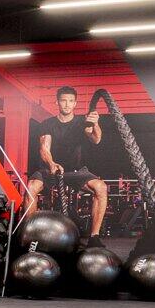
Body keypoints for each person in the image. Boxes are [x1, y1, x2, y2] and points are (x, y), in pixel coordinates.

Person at [27, 84, 107, 237]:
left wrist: (95, 123)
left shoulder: (82, 122)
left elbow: (96, 139)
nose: (67, 104)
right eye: (63, 101)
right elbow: (44, 148)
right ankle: (30, 234)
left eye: (70, 101)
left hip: (76, 171)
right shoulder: (48, 124)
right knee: (31, 187)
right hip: (50, 170)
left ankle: (94, 236)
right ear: (57, 102)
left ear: (75, 103)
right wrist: (51, 164)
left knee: (101, 188)